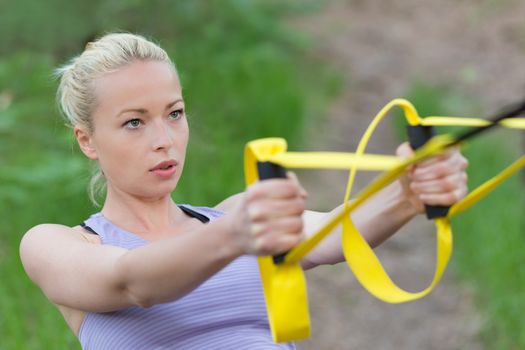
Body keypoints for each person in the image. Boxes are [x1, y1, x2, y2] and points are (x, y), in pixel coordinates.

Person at [19, 33, 468, 349]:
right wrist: (234, 236)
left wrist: (407, 193)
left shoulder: (230, 216)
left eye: (174, 113)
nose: (164, 138)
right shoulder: (55, 244)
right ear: (87, 140)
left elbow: (336, 233)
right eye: (134, 122)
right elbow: (133, 282)